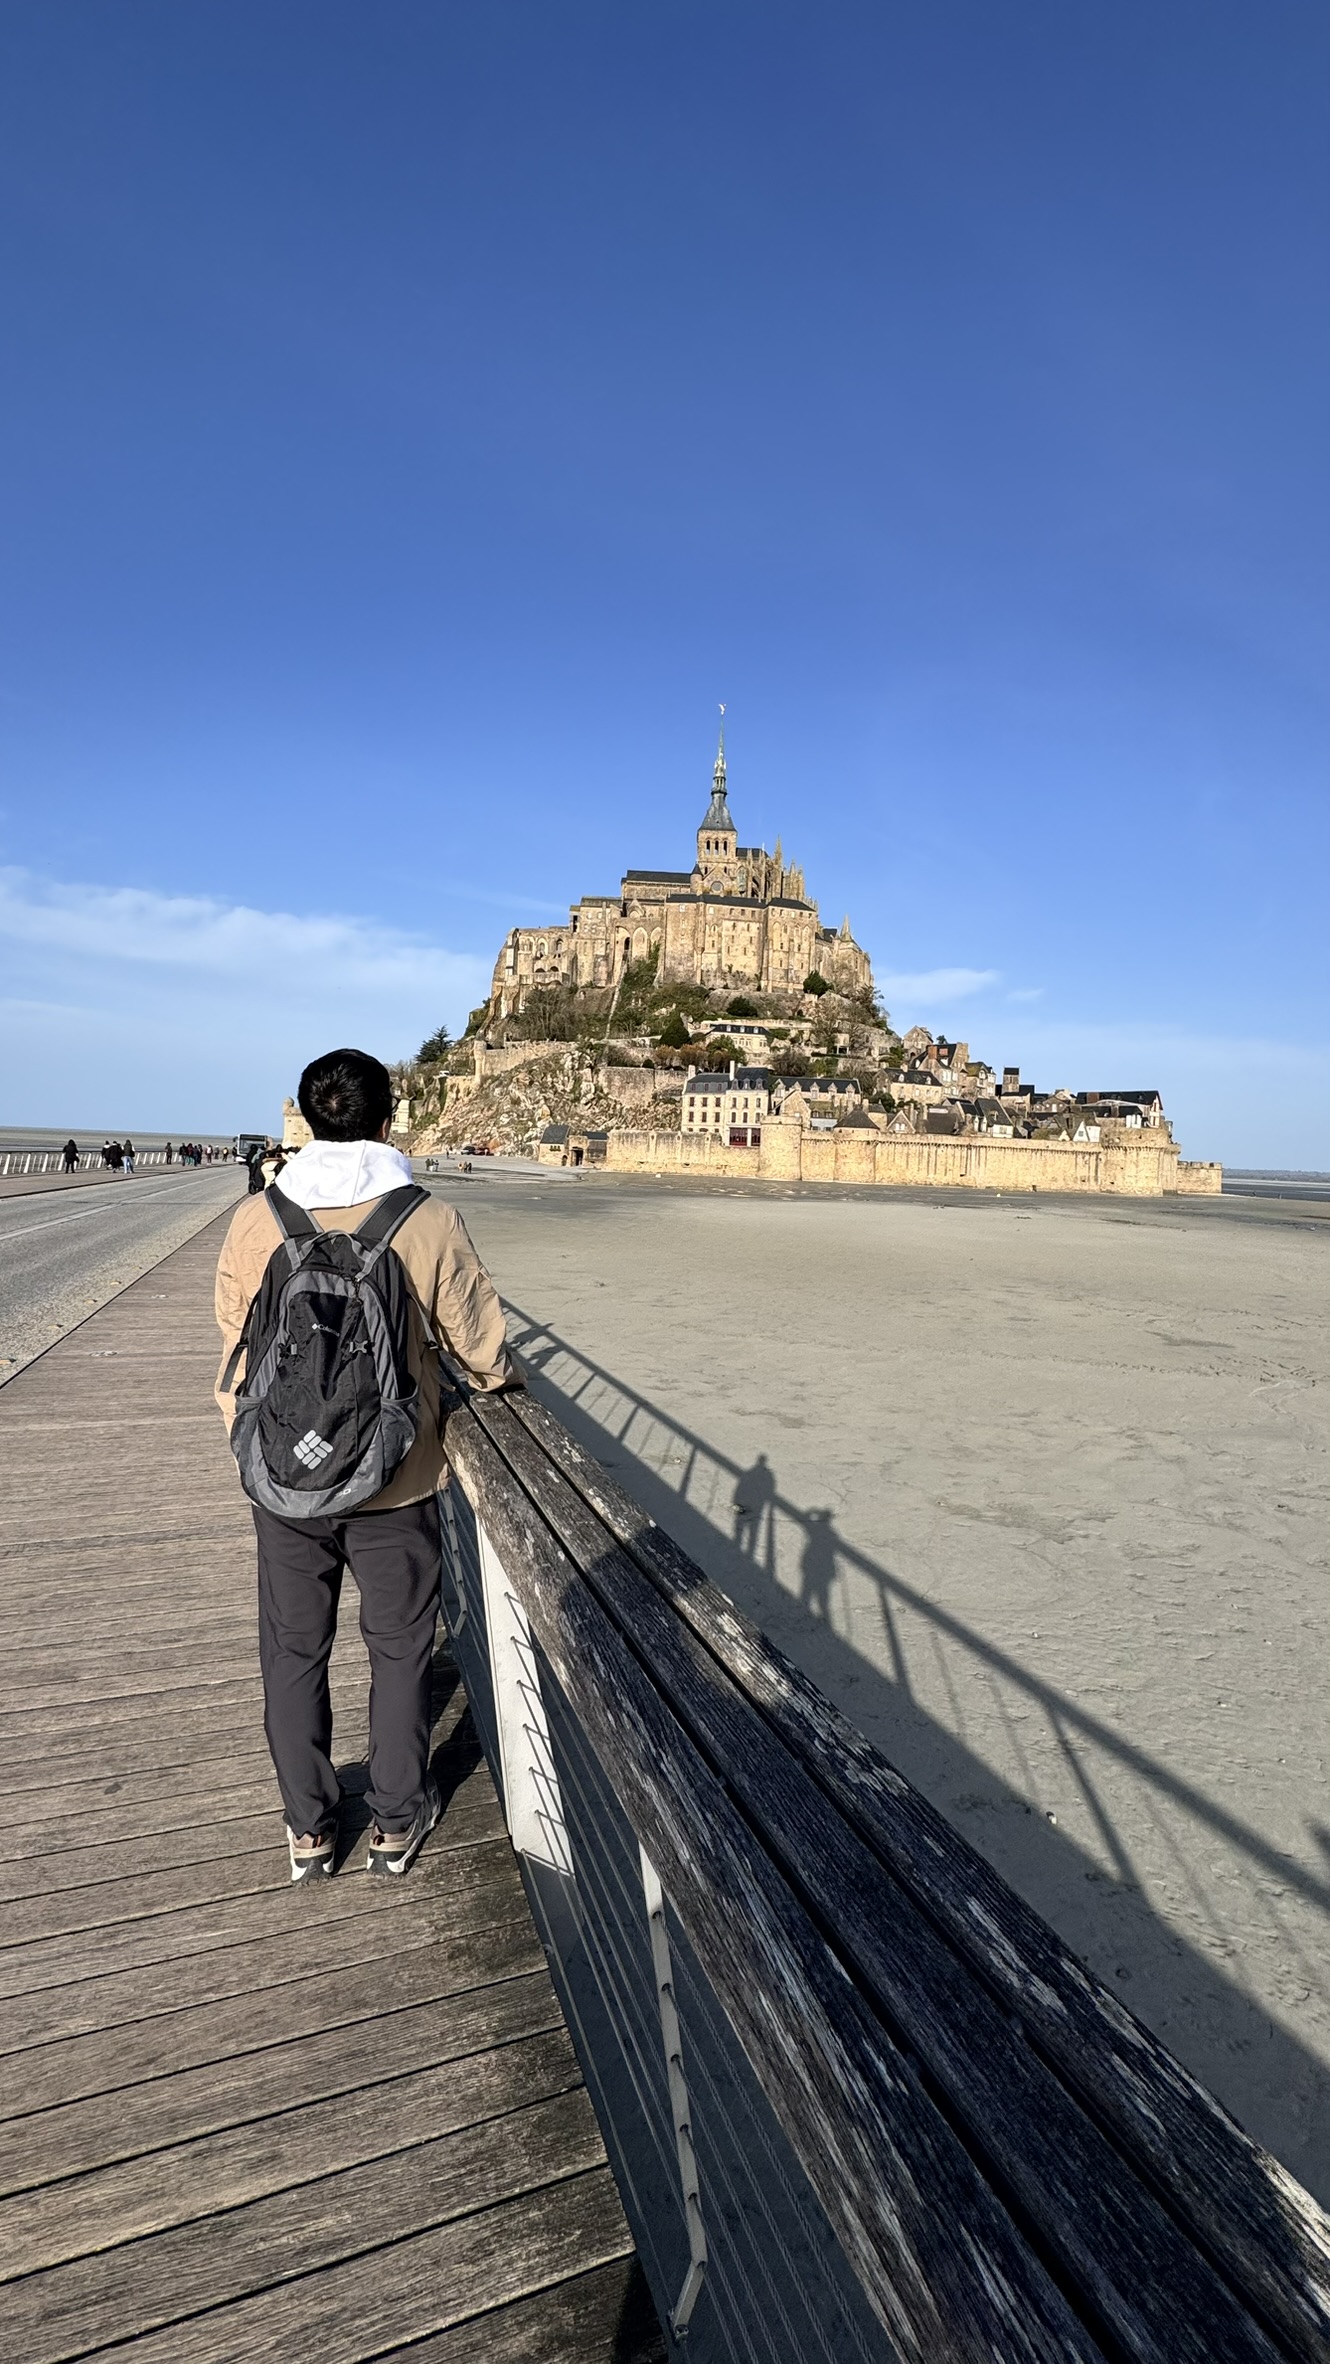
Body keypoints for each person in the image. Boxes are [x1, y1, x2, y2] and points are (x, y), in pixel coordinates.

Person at [215, 1047, 518, 1886]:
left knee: (292, 1650)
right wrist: (498, 1384)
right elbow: (481, 1345)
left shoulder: (258, 1218)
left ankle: (309, 1830)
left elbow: (236, 1341)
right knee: (398, 1649)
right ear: (390, 1121)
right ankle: (394, 1819)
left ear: (311, 1122)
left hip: (285, 1481)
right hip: (399, 1475)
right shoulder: (424, 1218)